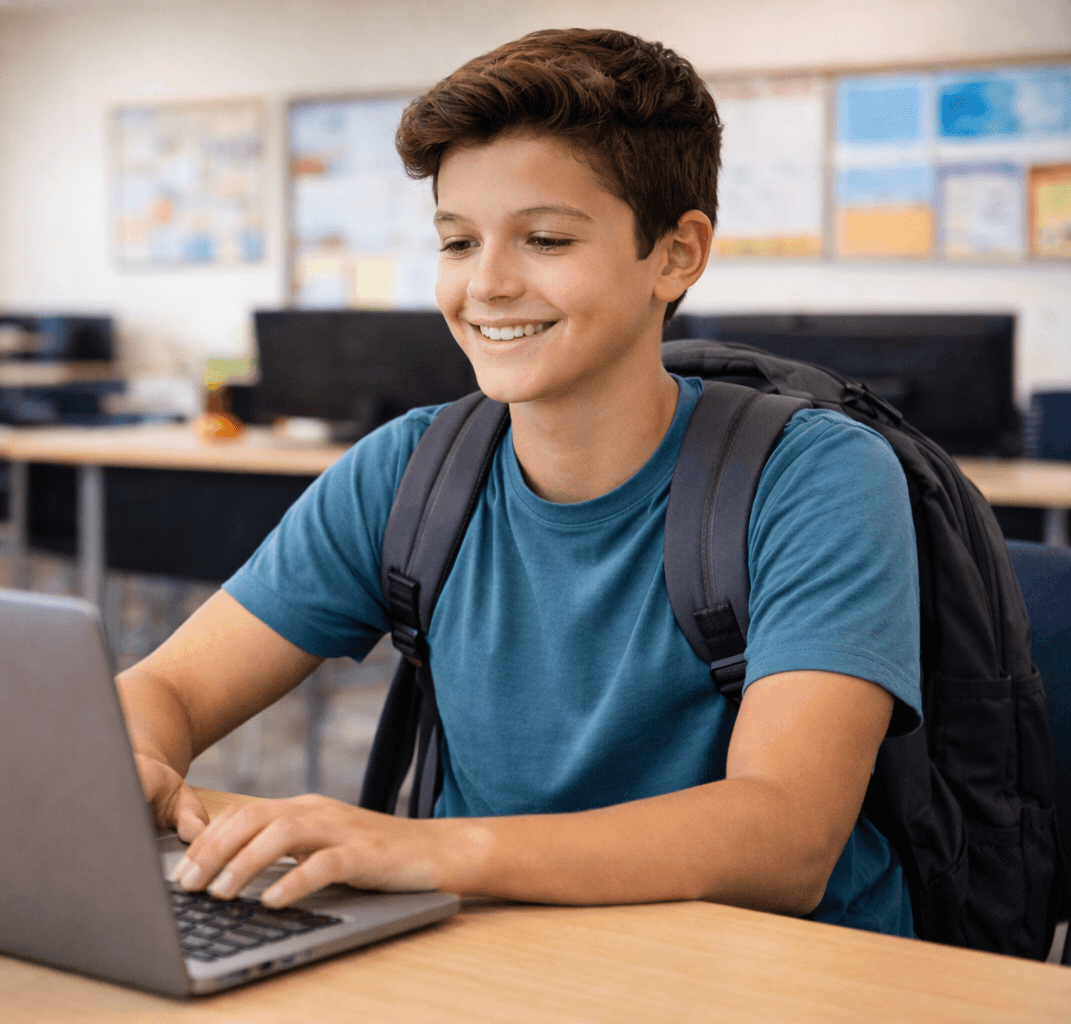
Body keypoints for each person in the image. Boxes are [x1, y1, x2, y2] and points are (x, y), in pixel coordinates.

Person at [116, 28, 923, 936]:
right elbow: (168, 689)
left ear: (677, 254)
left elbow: (787, 835)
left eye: (543, 238)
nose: (487, 284)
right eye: (457, 242)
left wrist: (425, 849)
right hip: (500, 945)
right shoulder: (412, 469)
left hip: (770, 969)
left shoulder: (816, 476)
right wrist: (133, 755)